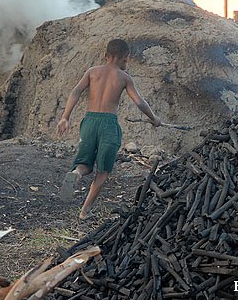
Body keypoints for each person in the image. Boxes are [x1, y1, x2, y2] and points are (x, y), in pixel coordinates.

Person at [57, 39, 162, 219]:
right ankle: (84, 211)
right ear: (126, 58)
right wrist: (154, 118)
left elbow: (75, 92)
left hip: (89, 121)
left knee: (84, 163)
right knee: (103, 170)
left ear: (106, 56)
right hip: (108, 125)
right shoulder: (124, 77)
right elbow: (139, 102)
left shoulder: (92, 72)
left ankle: (76, 173)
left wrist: (65, 117)